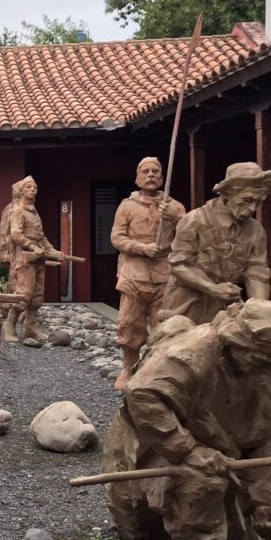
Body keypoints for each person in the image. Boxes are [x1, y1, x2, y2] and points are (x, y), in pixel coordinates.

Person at [103, 299, 271, 540]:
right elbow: (142, 396)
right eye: (263, 359)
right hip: (156, 444)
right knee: (204, 478)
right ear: (239, 343)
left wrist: (265, 502)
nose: (267, 370)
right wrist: (188, 450)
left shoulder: (259, 381)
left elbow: (260, 441)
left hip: (216, 447)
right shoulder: (189, 354)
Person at [159, 162, 271, 325]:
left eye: (258, 202)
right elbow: (178, 266)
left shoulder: (255, 230)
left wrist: (259, 308)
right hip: (187, 305)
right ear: (227, 193)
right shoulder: (195, 220)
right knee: (182, 347)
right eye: (247, 200)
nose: (252, 208)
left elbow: (257, 272)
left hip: (225, 308)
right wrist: (212, 288)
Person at [109, 158, 185, 389]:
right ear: (137, 176)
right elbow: (117, 237)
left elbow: (190, 236)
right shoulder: (127, 206)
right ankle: (128, 367)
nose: (150, 175)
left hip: (164, 276)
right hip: (134, 274)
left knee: (164, 326)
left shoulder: (175, 206)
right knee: (129, 324)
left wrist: (174, 217)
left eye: (155, 171)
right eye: (146, 171)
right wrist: (141, 248)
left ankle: (159, 371)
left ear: (162, 177)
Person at [4, 176, 64, 343]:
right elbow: (16, 234)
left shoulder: (34, 213)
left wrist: (53, 250)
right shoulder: (18, 211)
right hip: (25, 259)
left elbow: (41, 237)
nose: (32, 189)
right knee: (23, 295)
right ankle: (9, 325)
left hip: (39, 258)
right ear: (21, 191)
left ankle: (31, 328)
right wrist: (32, 247)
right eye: (28, 187)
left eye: (35, 187)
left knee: (37, 296)